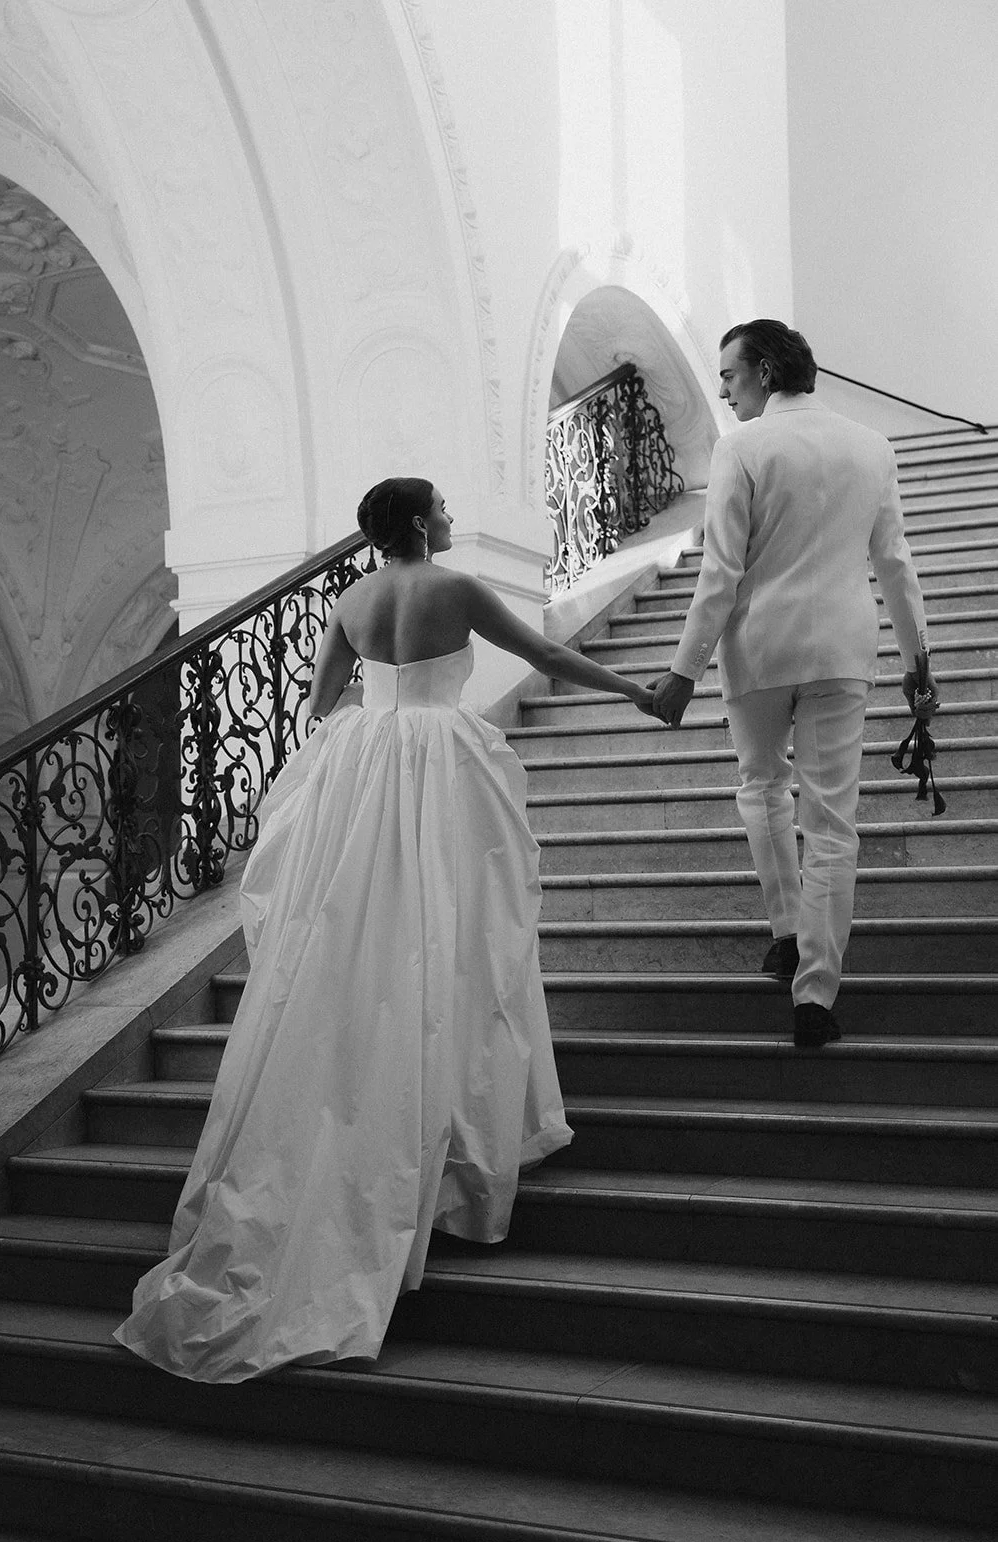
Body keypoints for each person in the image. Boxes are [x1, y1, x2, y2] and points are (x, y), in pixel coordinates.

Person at [114, 476, 659, 1380]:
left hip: (368, 765)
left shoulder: (353, 598)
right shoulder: (457, 590)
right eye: (442, 507)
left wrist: (350, 765)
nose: (451, 517)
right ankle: (449, 1143)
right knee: (455, 937)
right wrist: (639, 692)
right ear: (417, 523)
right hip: (442, 761)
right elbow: (549, 658)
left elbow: (322, 704)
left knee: (373, 941)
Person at [649, 320, 936, 1049]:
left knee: (762, 789)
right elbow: (894, 564)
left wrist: (682, 672)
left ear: (767, 371)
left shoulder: (741, 448)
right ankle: (815, 996)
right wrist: (917, 663)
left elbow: (719, 574)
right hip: (842, 647)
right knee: (833, 825)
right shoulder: (870, 446)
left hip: (759, 648)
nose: (720, 388)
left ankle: (784, 931)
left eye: (729, 374)